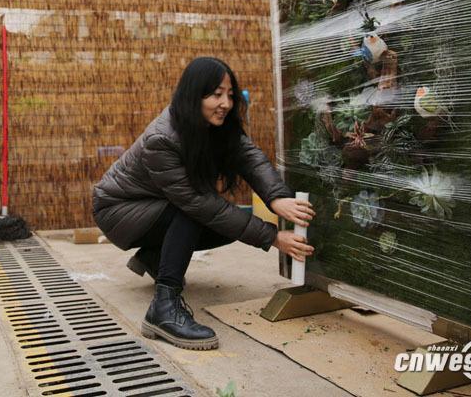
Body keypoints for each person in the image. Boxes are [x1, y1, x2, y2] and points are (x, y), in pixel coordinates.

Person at [93, 57, 315, 351]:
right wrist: (273, 237)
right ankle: (164, 308)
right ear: (193, 94)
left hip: (154, 207)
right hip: (118, 211)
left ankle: (155, 257)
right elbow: (199, 203)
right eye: (215, 94)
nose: (225, 103)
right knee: (197, 211)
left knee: (226, 223)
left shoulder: (216, 125)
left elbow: (249, 157)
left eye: (230, 95)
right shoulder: (163, 138)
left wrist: (276, 197)